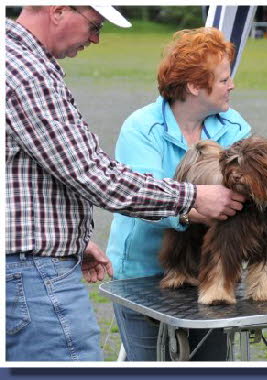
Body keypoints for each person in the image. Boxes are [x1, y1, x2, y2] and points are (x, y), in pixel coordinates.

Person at [5, 6, 245, 362]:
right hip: (46, 276)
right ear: (57, 11)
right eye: (94, 25)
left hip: (34, 264)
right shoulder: (25, 72)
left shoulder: (234, 125)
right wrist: (194, 199)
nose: (96, 38)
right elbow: (94, 175)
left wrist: (66, 239)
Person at [106, 27, 251, 361]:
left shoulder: (235, 126)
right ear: (195, 86)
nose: (232, 86)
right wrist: (197, 205)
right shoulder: (142, 128)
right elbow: (141, 197)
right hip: (142, 275)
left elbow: (243, 194)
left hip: (212, 271)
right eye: (224, 79)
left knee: (211, 363)